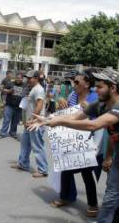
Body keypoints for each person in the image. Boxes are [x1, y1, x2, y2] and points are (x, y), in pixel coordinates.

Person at [28, 69, 119, 223]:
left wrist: (59, 122)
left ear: (113, 88)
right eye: (95, 86)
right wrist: (48, 119)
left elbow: (93, 125)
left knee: (112, 197)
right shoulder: (101, 104)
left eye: (99, 87)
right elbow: (76, 116)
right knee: (112, 196)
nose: (95, 90)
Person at [49, 70, 100, 218]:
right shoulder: (72, 95)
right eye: (73, 82)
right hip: (71, 139)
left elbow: (100, 118)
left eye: (77, 82)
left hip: (89, 140)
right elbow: (67, 115)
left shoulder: (95, 97)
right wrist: (60, 103)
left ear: (87, 84)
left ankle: (93, 204)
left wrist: (89, 109)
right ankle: (66, 197)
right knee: (66, 169)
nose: (74, 84)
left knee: (86, 173)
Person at [11, 70, 49, 178]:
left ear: (36, 78)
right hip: (30, 122)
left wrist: (32, 119)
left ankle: (43, 170)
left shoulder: (38, 90)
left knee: (37, 146)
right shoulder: (34, 89)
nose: (28, 80)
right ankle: (23, 164)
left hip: (35, 123)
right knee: (25, 143)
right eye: (27, 78)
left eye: (30, 78)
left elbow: (39, 105)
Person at [0, 71, 23, 139]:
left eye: (20, 78)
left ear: (22, 79)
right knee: (6, 119)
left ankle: (12, 132)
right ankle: (3, 133)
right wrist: (8, 91)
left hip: (19, 107)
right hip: (9, 105)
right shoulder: (10, 83)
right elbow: (2, 90)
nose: (18, 79)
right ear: (15, 78)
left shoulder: (24, 85)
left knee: (15, 121)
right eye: (17, 78)